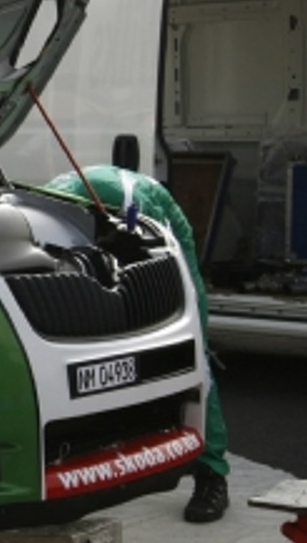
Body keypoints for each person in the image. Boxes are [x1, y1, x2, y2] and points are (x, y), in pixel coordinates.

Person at [43, 165, 230, 520]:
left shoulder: (129, 199)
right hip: (100, 230)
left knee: (194, 352)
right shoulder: (38, 208)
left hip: (152, 222)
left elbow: (143, 237)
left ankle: (212, 474)